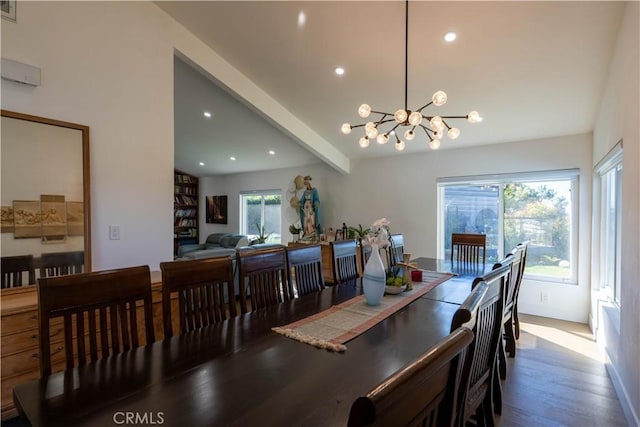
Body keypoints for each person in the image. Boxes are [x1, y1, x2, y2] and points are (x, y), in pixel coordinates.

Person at [299, 176, 321, 240]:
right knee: (306, 220)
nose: (306, 185)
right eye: (305, 184)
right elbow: (302, 200)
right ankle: (307, 233)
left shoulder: (314, 190)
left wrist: (315, 204)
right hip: (306, 208)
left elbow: (317, 199)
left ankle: (312, 233)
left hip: (311, 208)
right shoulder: (305, 192)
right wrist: (300, 203)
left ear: (309, 183)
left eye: (307, 183)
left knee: (311, 220)